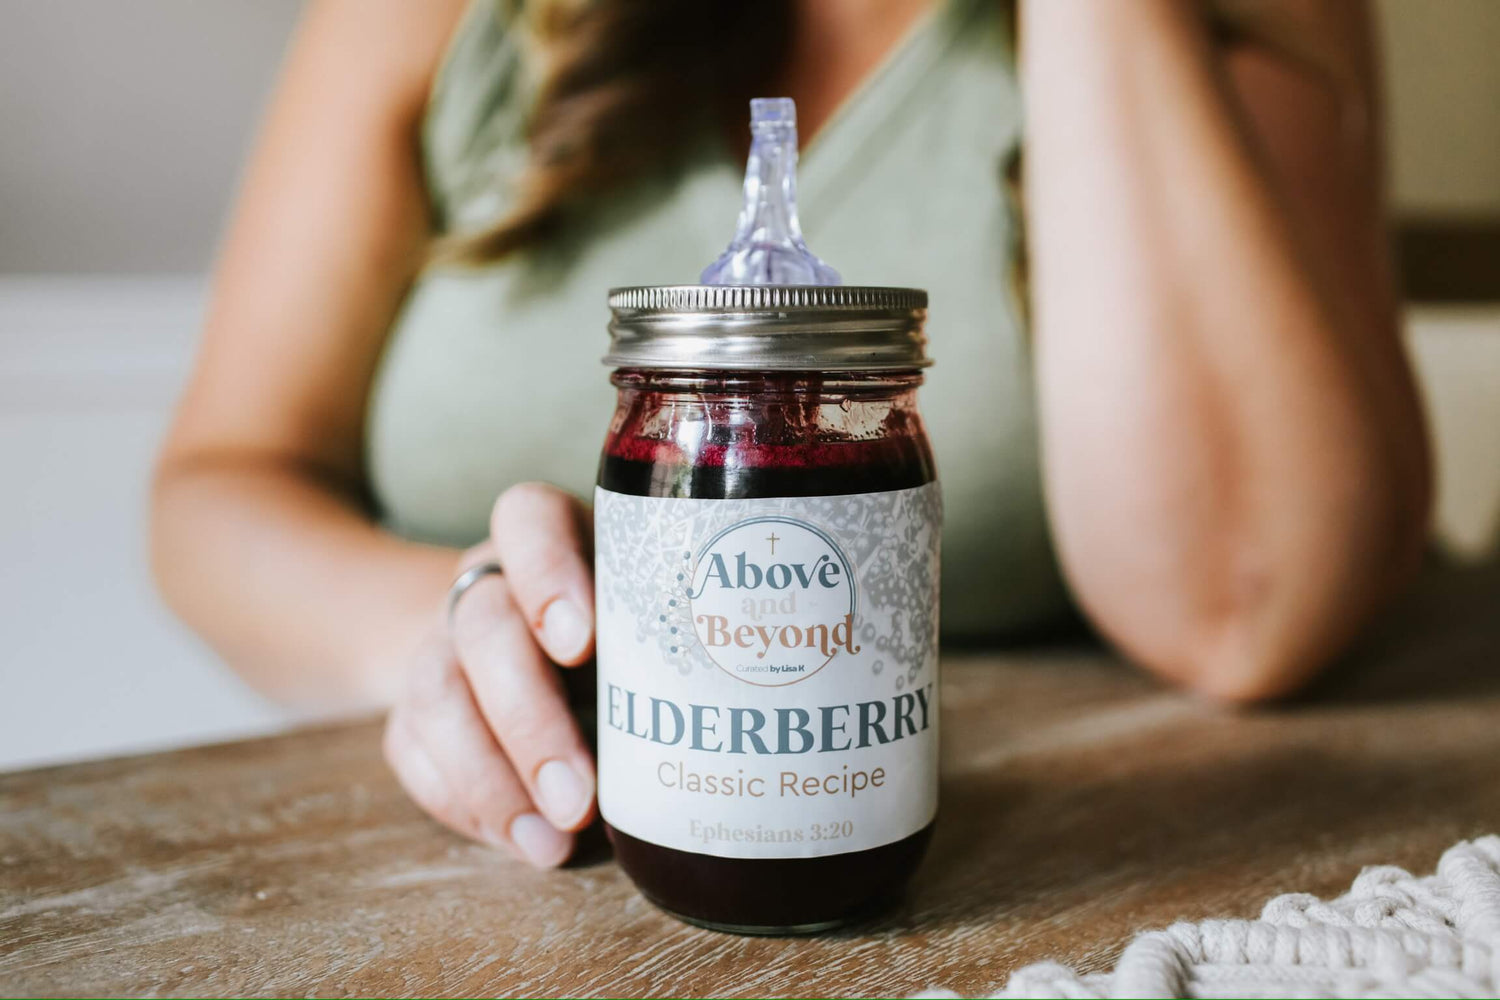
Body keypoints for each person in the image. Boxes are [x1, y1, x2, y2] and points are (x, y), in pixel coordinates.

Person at [151, 0, 1431, 869]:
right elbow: (220, 483)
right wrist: (458, 626)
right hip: (500, 860)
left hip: (1033, 862)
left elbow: (1249, 600)